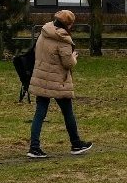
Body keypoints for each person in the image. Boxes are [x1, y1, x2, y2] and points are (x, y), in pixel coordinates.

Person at [27, 9, 93, 159]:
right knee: (68, 112)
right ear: (68, 24)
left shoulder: (45, 32)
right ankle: (76, 144)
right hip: (58, 81)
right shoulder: (62, 39)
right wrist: (74, 57)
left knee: (39, 113)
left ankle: (34, 147)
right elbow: (68, 63)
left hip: (41, 77)